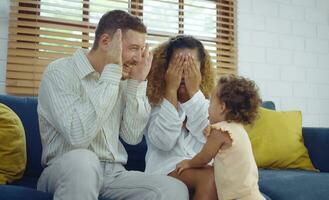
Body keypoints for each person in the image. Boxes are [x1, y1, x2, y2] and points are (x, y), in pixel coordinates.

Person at [37, 10, 188, 200]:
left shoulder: (121, 79)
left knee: (174, 189)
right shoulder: (60, 72)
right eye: (133, 48)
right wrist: (111, 72)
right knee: (84, 162)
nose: (139, 58)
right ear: (106, 42)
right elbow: (77, 136)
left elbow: (132, 137)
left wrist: (136, 83)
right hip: (66, 169)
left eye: (142, 50)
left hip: (113, 174)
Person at [145, 35, 217, 199]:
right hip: (164, 172)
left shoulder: (209, 105)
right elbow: (164, 142)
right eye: (178, 66)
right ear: (165, 69)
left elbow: (210, 137)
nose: (184, 73)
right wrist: (171, 91)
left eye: (190, 66)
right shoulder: (153, 102)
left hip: (200, 169)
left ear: (201, 70)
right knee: (211, 177)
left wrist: (193, 94)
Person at [176, 75, 265, 200]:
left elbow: (203, 158)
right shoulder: (238, 129)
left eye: (211, 103)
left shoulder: (219, 131)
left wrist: (188, 163)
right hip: (251, 194)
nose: (208, 107)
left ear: (222, 108)